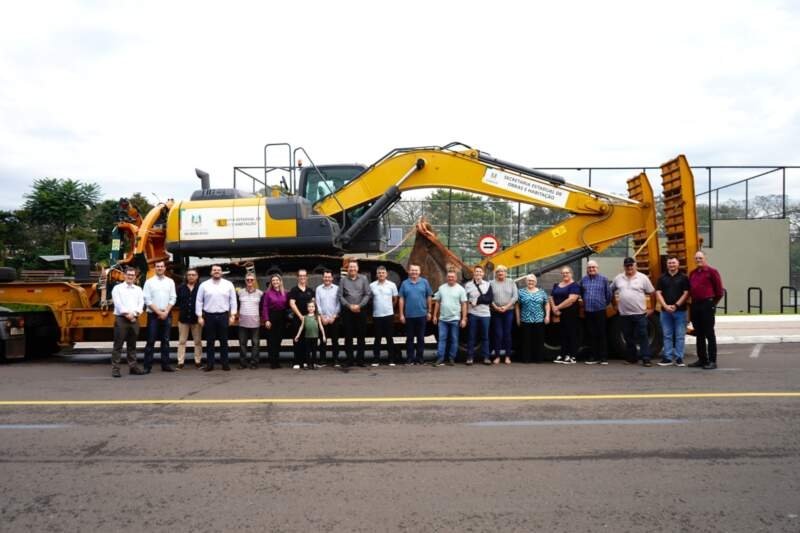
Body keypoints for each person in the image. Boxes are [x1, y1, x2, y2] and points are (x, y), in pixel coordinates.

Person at [612, 257, 656, 367]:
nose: (629, 267)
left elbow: (652, 292)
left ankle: (646, 358)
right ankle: (632, 358)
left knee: (643, 336)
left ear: (635, 265)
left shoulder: (643, 278)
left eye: (631, 265)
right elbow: (610, 291)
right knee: (628, 337)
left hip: (640, 314)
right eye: (627, 266)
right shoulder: (618, 278)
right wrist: (614, 305)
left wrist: (652, 308)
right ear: (624, 267)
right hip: (624, 314)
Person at [196, 264, 238, 372]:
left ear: (221, 272)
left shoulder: (228, 284)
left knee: (224, 341)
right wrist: (200, 316)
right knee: (210, 341)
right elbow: (199, 301)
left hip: (223, 315)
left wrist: (233, 315)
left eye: (218, 270)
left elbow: (233, 300)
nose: (216, 271)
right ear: (211, 272)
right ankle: (210, 365)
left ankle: (225, 364)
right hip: (209, 316)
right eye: (214, 270)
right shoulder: (204, 285)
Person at [688, 251, 724, 370]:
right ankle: (702, 359)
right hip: (695, 305)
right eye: (696, 258)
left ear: (705, 258)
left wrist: (712, 305)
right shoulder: (692, 273)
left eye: (700, 258)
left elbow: (719, 292)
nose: (698, 260)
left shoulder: (712, 272)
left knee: (709, 333)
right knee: (699, 334)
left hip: (707, 305)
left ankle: (712, 361)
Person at [110, 267, 146, 377]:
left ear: (135, 277)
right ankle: (115, 369)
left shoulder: (138, 289)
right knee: (118, 345)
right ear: (124, 275)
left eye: (132, 275)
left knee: (132, 345)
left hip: (134, 319)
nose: (130, 277)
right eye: (128, 274)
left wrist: (135, 314)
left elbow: (141, 304)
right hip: (121, 319)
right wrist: (128, 315)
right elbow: (118, 304)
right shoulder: (117, 288)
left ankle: (133, 367)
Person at [142, 260, 177, 373]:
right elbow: (147, 299)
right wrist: (158, 312)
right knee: (151, 341)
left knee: (166, 341)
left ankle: (165, 365)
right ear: (155, 268)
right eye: (158, 266)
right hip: (153, 315)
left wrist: (166, 312)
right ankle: (147, 366)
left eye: (162, 266)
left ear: (165, 268)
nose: (160, 268)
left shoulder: (170, 282)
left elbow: (173, 298)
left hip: (167, 314)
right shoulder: (149, 282)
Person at [656, 257, 691, 367]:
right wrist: (665, 306)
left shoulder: (684, 278)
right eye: (670, 263)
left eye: (674, 263)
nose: (671, 265)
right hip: (665, 312)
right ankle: (667, 357)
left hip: (680, 311)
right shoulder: (662, 278)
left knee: (680, 335)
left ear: (678, 264)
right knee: (667, 335)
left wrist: (676, 305)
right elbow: (658, 292)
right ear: (667, 265)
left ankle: (679, 358)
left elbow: (686, 293)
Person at [431, 270, 467, 367]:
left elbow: (464, 304)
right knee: (442, 339)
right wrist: (435, 316)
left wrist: (464, 318)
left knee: (454, 340)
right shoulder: (441, 288)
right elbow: (437, 302)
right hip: (442, 319)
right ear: (446, 277)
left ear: (456, 278)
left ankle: (451, 358)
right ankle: (440, 358)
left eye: (452, 277)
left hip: (455, 319)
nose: (450, 278)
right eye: (449, 276)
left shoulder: (460, 289)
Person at [339, 259, 371, 367]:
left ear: (357, 268)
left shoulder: (364, 279)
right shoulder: (343, 280)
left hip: (360, 311)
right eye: (350, 267)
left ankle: (360, 360)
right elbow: (340, 296)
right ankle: (349, 359)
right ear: (347, 269)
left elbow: (367, 294)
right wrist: (349, 306)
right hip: (347, 311)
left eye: (354, 267)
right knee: (348, 336)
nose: (352, 269)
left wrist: (359, 305)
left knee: (361, 336)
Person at [398, 263, 432, 365]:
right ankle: (410, 358)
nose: (414, 272)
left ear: (419, 272)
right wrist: (401, 314)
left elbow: (429, 297)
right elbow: (401, 299)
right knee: (410, 339)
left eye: (416, 270)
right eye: (412, 270)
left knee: (421, 338)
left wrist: (429, 311)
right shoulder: (404, 283)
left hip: (422, 315)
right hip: (409, 316)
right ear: (409, 271)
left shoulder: (425, 282)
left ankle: (420, 358)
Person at [580, 260, 612, 365]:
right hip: (588, 311)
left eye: (593, 267)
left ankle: (603, 358)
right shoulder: (583, 280)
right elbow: (581, 293)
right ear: (587, 269)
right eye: (589, 267)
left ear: (597, 268)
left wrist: (603, 303)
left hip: (600, 310)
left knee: (602, 334)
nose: (591, 269)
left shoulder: (603, 279)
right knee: (591, 334)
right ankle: (593, 357)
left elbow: (609, 295)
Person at [516, 273, 550, 363]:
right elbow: (517, 306)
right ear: (526, 282)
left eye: (532, 280)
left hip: (539, 319)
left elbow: (546, 303)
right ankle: (526, 359)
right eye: (529, 280)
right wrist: (518, 318)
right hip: (525, 319)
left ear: (536, 282)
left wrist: (547, 316)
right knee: (526, 341)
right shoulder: (521, 292)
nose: (530, 282)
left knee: (538, 340)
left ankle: (538, 359)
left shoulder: (541, 292)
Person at [550, 266, 580, 364]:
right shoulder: (556, 285)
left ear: (571, 274)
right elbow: (551, 297)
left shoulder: (574, 285)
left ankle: (572, 356)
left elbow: (571, 299)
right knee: (562, 335)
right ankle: (563, 354)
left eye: (567, 272)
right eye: (563, 273)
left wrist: (557, 307)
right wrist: (554, 308)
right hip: (558, 313)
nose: (565, 274)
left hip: (570, 313)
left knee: (571, 334)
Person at [370, 265, 399, 366]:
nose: (381, 274)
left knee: (389, 338)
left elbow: (395, 299)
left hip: (388, 315)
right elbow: (370, 299)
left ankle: (391, 359)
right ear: (376, 275)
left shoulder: (392, 285)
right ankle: (376, 359)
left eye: (383, 273)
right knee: (377, 338)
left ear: (386, 274)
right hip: (377, 315)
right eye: (379, 273)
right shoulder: (372, 285)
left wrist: (390, 307)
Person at [464, 265, 492, 366]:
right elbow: (465, 300)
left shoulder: (488, 284)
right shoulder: (468, 285)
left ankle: (486, 357)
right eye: (476, 272)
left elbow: (489, 299)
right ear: (473, 273)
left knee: (485, 337)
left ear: (483, 274)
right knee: (471, 336)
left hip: (485, 314)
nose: (478, 273)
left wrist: (476, 300)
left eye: (480, 272)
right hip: (472, 314)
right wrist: (465, 315)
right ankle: (470, 357)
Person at [490, 265, 518, 365]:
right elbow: (489, 297)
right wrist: (496, 307)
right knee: (498, 334)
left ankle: (507, 356)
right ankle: (497, 356)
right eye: (498, 272)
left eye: (502, 271)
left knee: (507, 334)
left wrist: (506, 307)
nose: (500, 273)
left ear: (506, 273)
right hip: (496, 312)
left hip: (509, 311)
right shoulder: (491, 283)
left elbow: (515, 297)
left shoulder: (511, 282)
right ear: (496, 273)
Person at [175, 268, 202, 370]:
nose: (191, 276)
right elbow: (176, 301)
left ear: (197, 276)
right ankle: (180, 362)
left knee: (197, 341)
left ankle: (198, 361)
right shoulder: (180, 288)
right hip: (183, 318)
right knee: (182, 341)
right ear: (186, 276)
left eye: (193, 275)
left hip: (196, 318)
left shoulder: (200, 288)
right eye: (189, 275)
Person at [288, 269, 315, 370]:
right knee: (297, 339)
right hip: (298, 319)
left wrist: (310, 316)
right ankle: (297, 361)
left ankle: (304, 361)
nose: (302, 277)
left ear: (307, 277)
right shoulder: (294, 290)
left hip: (308, 320)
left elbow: (313, 304)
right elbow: (292, 303)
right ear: (297, 277)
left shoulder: (310, 290)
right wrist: (300, 316)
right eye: (300, 276)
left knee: (306, 340)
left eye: (304, 276)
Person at [236, 273, 263, 369]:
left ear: (254, 281)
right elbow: (237, 306)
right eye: (248, 279)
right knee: (242, 344)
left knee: (255, 344)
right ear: (245, 281)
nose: (250, 281)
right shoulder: (240, 292)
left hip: (255, 323)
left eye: (252, 279)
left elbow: (262, 308)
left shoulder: (260, 293)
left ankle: (254, 363)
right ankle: (243, 363)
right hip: (242, 322)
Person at [315, 269, 341, 367]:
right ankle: (322, 360)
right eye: (325, 277)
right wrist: (322, 317)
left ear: (332, 278)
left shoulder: (337, 288)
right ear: (323, 278)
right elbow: (317, 303)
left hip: (334, 318)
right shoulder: (318, 289)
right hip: (323, 319)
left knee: (335, 340)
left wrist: (334, 316)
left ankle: (336, 360)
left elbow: (339, 303)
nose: (327, 279)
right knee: (322, 340)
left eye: (329, 277)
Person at [262, 274, 288, 369]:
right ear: (271, 282)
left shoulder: (285, 293)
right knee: (271, 341)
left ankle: (277, 361)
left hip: (282, 318)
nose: (275, 282)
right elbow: (264, 307)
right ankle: (272, 362)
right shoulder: (268, 293)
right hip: (272, 317)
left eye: (277, 280)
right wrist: (267, 320)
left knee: (279, 340)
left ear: (280, 281)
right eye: (273, 280)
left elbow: (287, 306)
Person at [293, 300, 326, 370]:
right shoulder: (305, 317)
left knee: (314, 351)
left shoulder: (317, 317)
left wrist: (323, 336)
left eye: (312, 306)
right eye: (309, 307)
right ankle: (308, 364)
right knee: (307, 351)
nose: (311, 308)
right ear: (307, 308)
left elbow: (321, 326)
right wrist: (297, 335)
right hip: (307, 337)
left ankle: (314, 364)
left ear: (315, 308)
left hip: (315, 337)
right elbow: (301, 327)